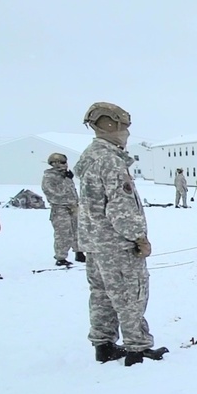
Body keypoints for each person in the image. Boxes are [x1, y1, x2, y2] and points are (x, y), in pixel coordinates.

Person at [74, 102, 167, 366]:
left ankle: (103, 346)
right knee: (130, 294)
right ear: (110, 126)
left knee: (102, 295)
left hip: (95, 244)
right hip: (117, 244)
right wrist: (139, 238)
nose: (127, 134)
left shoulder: (90, 158)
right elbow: (120, 207)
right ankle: (136, 348)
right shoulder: (111, 161)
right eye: (125, 128)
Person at [41, 153, 84, 266]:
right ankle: (61, 257)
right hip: (60, 208)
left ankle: (79, 252)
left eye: (64, 162)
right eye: (60, 162)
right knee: (63, 233)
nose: (63, 165)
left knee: (77, 230)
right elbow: (52, 193)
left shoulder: (66, 176)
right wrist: (66, 200)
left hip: (73, 207)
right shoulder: (49, 177)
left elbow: (72, 191)